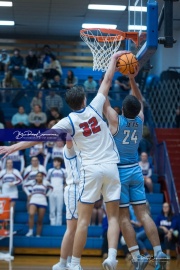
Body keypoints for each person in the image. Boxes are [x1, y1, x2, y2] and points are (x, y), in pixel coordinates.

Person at [0, 51, 125, 270]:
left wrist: (12, 146)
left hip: (91, 170)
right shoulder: (96, 105)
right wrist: (114, 58)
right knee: (113, 216)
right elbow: (107, 80)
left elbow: (37, 138)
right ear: (84, 99)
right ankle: (112, 256)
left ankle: (75, 264)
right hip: (112, 167)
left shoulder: (68, 122)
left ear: (69, 104)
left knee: (82, 222)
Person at [103, 65, 168, 269]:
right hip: (136, 170)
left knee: (123, 217)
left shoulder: (115, 121)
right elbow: (138, 99)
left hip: (120, 173)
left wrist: (108, 76)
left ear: (122, 110)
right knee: (144, 214)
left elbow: (103, 99)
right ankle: (159, 252)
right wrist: (132, 79)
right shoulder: (140, 120)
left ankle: (137, 256)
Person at [52, 139, 80, 270]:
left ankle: (72, 262)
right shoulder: (69, 146)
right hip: (74, 189)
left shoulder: (84, 149)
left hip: (85, 189)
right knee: (72, 229)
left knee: (79, 229)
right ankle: (63, 263)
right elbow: (69, 136)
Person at [24, 172, 53, 237]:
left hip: (42, 201)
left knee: (40, 220)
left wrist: (47, 194)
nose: (39, 177)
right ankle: (30, 231)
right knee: (31, 214)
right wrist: (28, 194)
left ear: (42, 177)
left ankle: (38, 234)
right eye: (37, 176)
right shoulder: (32, 182)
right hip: (33, 200)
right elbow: (24, 186)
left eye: (40, 176)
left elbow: (52, 188)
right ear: (36, 177)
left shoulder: (46, 183)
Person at [46, 157, 66, 226]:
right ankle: (52, 223)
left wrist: (64, 187)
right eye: (54, 162)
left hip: (60, 192)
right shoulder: (50, 171)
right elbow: (47, 181)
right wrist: (49, 188)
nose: (54, 163)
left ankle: (58, 224)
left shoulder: (63, 171)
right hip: (52, 191)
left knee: (59, 209)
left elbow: (67, 181)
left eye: (55, 162)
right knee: (52, 209)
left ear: (59, 163)